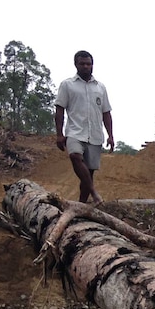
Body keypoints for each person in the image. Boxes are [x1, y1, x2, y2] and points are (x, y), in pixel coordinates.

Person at [54, 50, 114, 204]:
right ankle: (94, 192)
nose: (86, 66)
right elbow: (59, 110)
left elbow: (106, 112)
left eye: (89, 64)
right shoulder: (67, 85)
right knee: (75, 156)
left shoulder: (100, 87)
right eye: (82, 64)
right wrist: (59, 134)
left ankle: (81, 205)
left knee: (89, 173)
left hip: (95, 134)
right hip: (74, 132)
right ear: (76, 65)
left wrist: (111, 135)